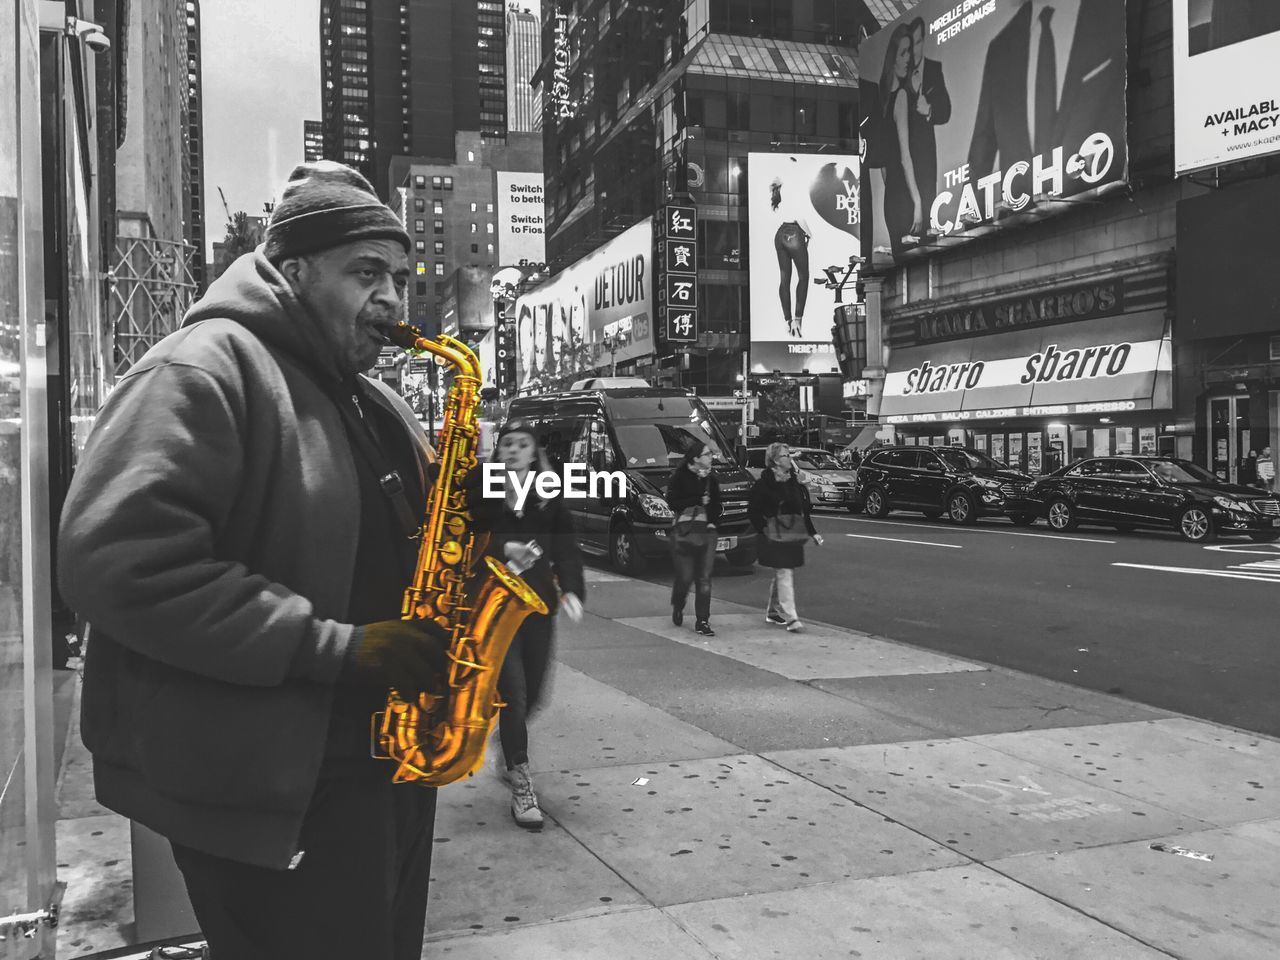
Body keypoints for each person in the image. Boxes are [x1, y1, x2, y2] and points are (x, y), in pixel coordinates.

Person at [56, 161, 456, 960]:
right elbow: (116, 561)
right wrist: (335, 647)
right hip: (274, 794)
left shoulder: (371, 398)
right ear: (293, 270)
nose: (392, 300)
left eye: (402, 279)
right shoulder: (201, 368)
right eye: (367, 273)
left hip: (380, 769)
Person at [466, 418, 585, 830]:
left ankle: (508, 743)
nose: (514, 450)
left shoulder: (548, 494)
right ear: (499, 451)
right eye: (508, 444)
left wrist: (570, 589)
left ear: (534, 452)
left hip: (536, 606)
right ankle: (521, 781)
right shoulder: (483, 487)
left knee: (535, 696)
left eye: (522, 444)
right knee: (513, 695)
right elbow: (464, 535)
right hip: (495, 606)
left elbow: (566, 546)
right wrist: (502, 546)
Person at [968, 0, 1127, 200]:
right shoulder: (1001, 46)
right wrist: (972, 223)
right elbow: (981, 147)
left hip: (1103, 201)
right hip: (1021, 217)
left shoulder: (1109, 9)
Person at [748, 443, 824, 633]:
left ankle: (773, 610)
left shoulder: (793, 482)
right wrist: (764, 528)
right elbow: (753, 510)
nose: (789, 458)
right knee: (784, 572)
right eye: (784, 455)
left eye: (788, 455)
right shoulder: (764, 483)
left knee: (783, 571)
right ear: (775, 460)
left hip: (790, 533)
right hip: (773, 534)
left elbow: (801, 511)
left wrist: (812, 532)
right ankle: (792, 618)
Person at [665, 441, 722, 637]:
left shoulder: (711, 480)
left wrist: (713, 522)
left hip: (707, 532)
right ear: (696, 458)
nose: (710, 457)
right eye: (706, 454)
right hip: (684, 532)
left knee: (704, 579)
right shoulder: (680, 477)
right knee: (685, 577)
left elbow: (717, 505)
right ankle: (678, 605)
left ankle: (703, 620)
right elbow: (672, 502)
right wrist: (696, 501)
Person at [879, 23, 925, 257]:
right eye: (903, 53)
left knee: (901, 264)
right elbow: (905, 156)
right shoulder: (901, 97)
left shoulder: (883, 102)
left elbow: (884, 169)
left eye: (910, 52)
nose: (908, 59)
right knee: (915, 264)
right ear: (892, 58)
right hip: (905, 198)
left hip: (891, 200)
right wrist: (917, 202)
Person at [906, 16, 951, 217]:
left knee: (928, 204)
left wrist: (928, 110)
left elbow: (945, 111)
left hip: (925, 154)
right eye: (911, 43)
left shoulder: (934, 68)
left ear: (923, 41)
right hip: (904, 155)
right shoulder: (901, 73)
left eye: (918, 42)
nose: (915, 49)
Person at [768, 169, 812, 338]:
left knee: (784, 278)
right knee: (803, 277)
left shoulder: (777, 196)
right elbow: (800, 218)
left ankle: (787, 321)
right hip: (794, 232)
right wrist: (809, 234)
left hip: (779, 235)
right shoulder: (793, 191)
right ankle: (798, 320)